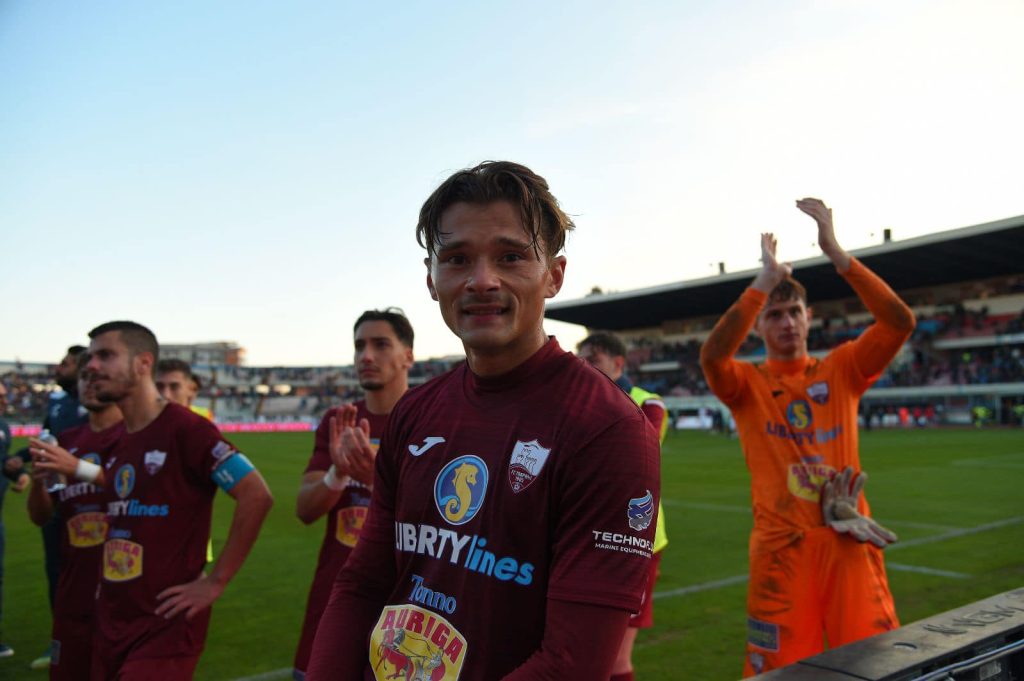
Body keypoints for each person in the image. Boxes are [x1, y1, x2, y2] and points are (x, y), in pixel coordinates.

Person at [307, 161, 661, 680]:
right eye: (457, 259)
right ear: (432, 279)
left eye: (510, 256)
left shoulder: (608, 429)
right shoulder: (417, 411)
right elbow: (362, 583)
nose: (481, 281)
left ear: (554, 275)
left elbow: (572, 664)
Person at [699, 198, 916, 676]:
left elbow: (899, 323)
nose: (787, 323)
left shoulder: (843, 368)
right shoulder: (747, 384)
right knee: (779, 672)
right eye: (775, 315)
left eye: (794, 312)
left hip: (847, 537)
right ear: (758, 325)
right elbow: (712, 357)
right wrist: (763, 283)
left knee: (876, 664)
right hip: (782, 550)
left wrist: (836, 253)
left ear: (809, 317)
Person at [31, 321, 274, 679]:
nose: (92, 366)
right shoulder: (119, 440)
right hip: (112, 618)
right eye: (91, 357)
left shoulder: (186, 428)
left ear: (143, 363)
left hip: (164, 625)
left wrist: (215, 581)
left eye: (106, 355)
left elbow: (256, 494)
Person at [292, 308, 414, 681]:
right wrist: (338, 471)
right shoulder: (338, 421)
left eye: (381, 345)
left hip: (402, 597)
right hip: (336, 591)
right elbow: (305, 510)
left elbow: (442, 522)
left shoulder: (431, 419)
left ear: (408, 356)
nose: (366, 356)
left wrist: (376, 481)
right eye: (359, 346)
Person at [577, 332, 669, 681]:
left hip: (635, 541)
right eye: (581, 360)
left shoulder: (649, 403)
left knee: (615, 660)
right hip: (585, 536)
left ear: (618, 363)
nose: (584, 367)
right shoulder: (578, 401)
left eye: (593, 360)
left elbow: (633, 450)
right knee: (579, 652)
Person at [28, 354, 124, 681]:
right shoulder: (67, 441)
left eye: (98, 377)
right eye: (84, 377)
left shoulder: (135, 436)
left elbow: (145, 490)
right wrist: (39, 483)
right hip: (74, 587)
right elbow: (40, 516)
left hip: (123, 586)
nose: (90, 383)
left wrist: (77, 468)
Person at [0, 382, 28, 658]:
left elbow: (3, 461)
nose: (3, 400)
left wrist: (18, 473)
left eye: (4, 396)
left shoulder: (4, 428)